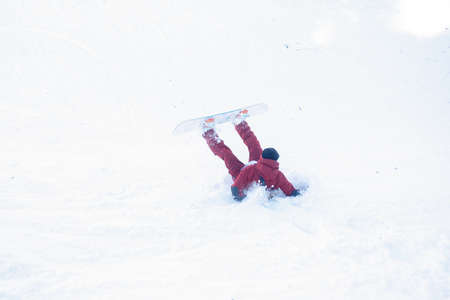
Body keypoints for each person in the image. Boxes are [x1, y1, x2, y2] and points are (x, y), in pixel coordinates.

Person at [202, 110, 301, 201]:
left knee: (228, 154)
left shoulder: (252, 170)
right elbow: (290, 191)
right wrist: (296, 194)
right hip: (254, 165)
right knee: (251, 146)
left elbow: (235, 188)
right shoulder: (278, 175)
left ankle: (209, 132)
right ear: (275, 162)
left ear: (263, 159)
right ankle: (238, 123)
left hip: (240, 172)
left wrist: (242, 198)